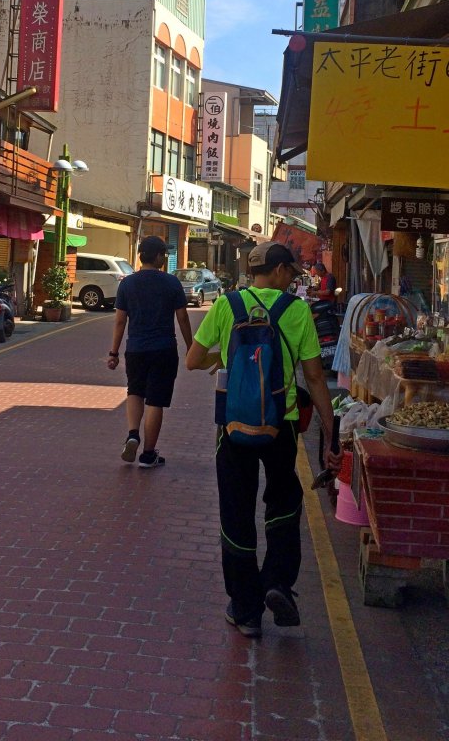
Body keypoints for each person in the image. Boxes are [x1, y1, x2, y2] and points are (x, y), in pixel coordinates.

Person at [185, 241, 341, 638]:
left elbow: (192, 359)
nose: (292, 277)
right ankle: (275, 581)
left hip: (234, 424)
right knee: (283, 502)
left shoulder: (226, 305)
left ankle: (245, 609)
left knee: (236, 512)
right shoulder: (296, 310)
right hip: (282, 423)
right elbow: (316, 376)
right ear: (276, 271)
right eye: (289, 270)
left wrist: (225, 358)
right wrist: (329, 431)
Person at [108, 235, 193, 468]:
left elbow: (119, 322)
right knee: (155, 400)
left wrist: (113, 352)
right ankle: (148, 454)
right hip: (164, 348)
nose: (164, 258)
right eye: (163, 254)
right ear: (157, 256)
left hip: (135, 349)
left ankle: (133, 433)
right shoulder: (171, 283)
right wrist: (191, 346)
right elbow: (183, 317)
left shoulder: (127, 284)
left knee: (135, 391)